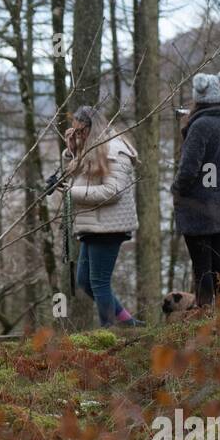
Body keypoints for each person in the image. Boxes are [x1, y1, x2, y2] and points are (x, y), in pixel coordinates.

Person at [51, 104, 145, 328]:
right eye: (75, 132)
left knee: (99, 282)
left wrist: (71, 193)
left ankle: (109, 331)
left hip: (108, 226)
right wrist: (72, 151)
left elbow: (112, 192)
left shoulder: (114, 150)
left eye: (81, 131)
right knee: (85, 281)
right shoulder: (92, 147)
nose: (78, 135)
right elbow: (79, 176)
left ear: (92, 128)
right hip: (93, 224)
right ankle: (128, 323)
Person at [171, 73, 220, 306]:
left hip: (198, 209)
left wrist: (176, 190)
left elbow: (189, 169)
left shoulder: (200, 125)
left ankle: (205, 319)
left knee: (202, 270)